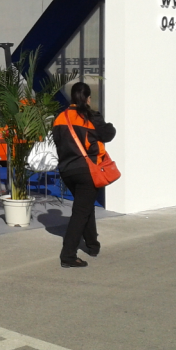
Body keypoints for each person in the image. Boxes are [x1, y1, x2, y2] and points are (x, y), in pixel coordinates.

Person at [51, 82, 116, 268]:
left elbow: (58, 142)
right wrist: (108, 124)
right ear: (88, 98)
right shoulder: (90, 116)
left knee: (85, 207)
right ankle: (68, 255)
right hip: (88, 170)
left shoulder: (60, 118)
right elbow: (108, 134)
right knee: (80, 212)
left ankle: (93, 245)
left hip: (67, 170)